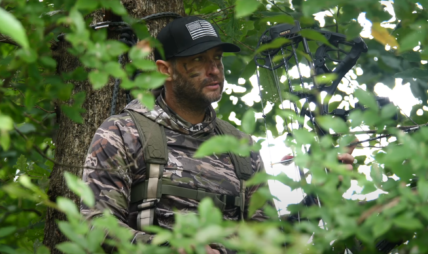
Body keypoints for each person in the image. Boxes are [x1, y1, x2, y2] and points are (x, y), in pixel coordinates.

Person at [80, 16, 355, 254]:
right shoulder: (123, 132)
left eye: (217, 59)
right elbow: (94, 224)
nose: (214, 71)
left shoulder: (240, 146)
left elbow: (269, 242)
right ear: (165, 70)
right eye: (198, 60)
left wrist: (319, 194)